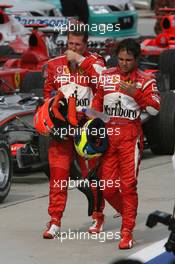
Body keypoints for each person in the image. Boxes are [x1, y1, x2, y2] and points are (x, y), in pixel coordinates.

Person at [90, 38, 161, 249]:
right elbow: (97, 103)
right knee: (107, 187)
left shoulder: (146, 80)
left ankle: (127, 231)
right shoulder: (106, 76)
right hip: (108, 135)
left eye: (128, 60)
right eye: (120, 59)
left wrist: (135, 93)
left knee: (128, 186)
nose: (123, 63)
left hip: (131, 135)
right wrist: (90, 117)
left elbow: (155, 109)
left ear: (136, 59)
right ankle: (126, 212)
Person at [43, 23, 106, 239]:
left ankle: (98, 217)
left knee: (92, 175)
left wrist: (80, 60)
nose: (73, 47)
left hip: (86, 127)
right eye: (70, 43)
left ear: (85, 45)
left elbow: (102, 85)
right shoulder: (53, 65)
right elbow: (47, 96)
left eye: (78, 44)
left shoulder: (95, 62)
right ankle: (55, 221)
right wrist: (51, 123)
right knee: (58, 176)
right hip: (62, 129)